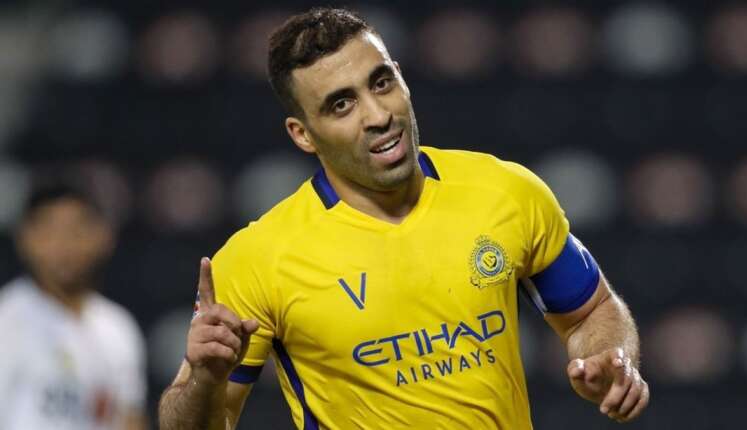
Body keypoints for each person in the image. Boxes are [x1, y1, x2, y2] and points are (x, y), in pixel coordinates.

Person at [159, 7, 649, 429]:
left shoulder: (504, 192)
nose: (377, 115)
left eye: (381, 83)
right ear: (303, 134)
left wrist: (609, 357)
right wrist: (204, 380)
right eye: (341, 105)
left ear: (401, 77)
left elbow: (592, 311)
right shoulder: (257, 259)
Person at [0, 183, 148, 430]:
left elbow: (130, 418)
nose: (63, 245)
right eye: (49, 231)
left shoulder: (117, 326)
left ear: (104, 236)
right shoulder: (7, 319)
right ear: (25, 238)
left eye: (77, 230)